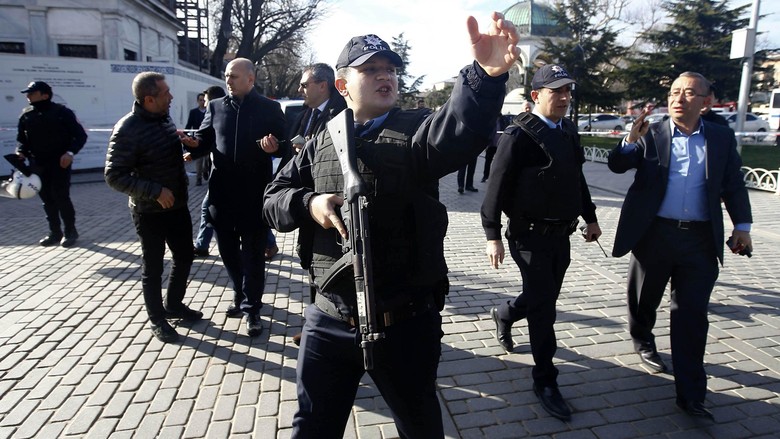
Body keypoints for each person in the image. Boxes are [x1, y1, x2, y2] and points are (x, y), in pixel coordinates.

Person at [262, 13, 519, 437]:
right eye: (370, 69)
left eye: (390, 70)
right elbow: (273, 197)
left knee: (420, 425)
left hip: (405, 324)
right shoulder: (319, 142)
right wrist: (309, 204)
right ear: (343, 85)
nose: (385, 77)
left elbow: (458, 129)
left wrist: (486, 77)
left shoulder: (417, 129)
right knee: (312, 427)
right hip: (329, 320)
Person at [608, 71, 753, 420]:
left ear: (707, 101)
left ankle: (691, 394)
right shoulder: (652, 133)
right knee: (644, 299)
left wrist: (743, 226)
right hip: (655, 234)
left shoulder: (719, 137)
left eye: (689, 93)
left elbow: (733, 184)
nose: (678, 99)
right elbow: (616, 165)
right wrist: (630, 140)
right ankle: (642, 339)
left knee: (691, 316)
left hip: (700, 241)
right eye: (674, 92)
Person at [482, 64, 602, 422]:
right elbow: (495, 189)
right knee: (544, 308)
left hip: (560, 236)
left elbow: (576, 180)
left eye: (567, 91)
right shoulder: (517, 137)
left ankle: (504, 313)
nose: (564, 98)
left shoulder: (567, 131)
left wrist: (590, 217)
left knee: (540, 297)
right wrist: (492, 236)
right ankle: (545, 380)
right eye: (556, 92)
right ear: (536, 96)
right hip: (526, 237)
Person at [184, 58, 287, 337]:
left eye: (233, 76)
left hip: (255, 196)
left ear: (250, 80)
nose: (228, 81)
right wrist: (194, 146)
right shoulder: (216, 107)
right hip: (222, 195)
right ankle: (239, 294)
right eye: (227, 76)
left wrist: (274, 147)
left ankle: (252, 309)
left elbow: (285, 144)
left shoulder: (269, 108)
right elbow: (206, 139)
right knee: (229, 254)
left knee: (253, 257)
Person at [105, 71, 203, 343]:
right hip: (149, 212)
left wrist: (186, 147)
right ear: (149, 99)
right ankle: (157, 319)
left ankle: (173, 305)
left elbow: (162, 154)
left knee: (184, 256)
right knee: (153, 267)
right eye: (165, 93)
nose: (171, 97)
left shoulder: (164, 119)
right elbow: (114, 176)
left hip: (178, 206)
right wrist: (155, 191)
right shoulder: (127, 129)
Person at [16, 81, 88, 248]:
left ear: (45, 95)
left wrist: (70, 153)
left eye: (32, 93)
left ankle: (70, 231)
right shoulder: (26, 115)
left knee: (61, 197)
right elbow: (22, 140)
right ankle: (55, 232)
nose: (27, 96)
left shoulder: (62, 112)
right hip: (37, 164)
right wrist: (20, 152)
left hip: (59, 163)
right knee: (47, 199)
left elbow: (80, 136)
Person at [193, 86, 226, 258]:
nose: (204, 104)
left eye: (205, 100)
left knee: (208, 207)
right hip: (218, 173)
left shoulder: (220, 113)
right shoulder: (215, 112)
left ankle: (202, 245)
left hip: (227, 174)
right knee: (208, 208)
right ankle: (202, 245)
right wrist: (192, 149)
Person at [185, 93, 208, 185]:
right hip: (197, 139)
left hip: (207, 139)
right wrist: (185, 135)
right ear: (197, 101)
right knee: (199, 160)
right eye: (200, 100)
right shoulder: (193, 112)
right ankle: (199, 179)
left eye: (204, 100)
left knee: (207, 159)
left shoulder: (209, 111)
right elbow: (189, 125)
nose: (202, 102)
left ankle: (205, 171)